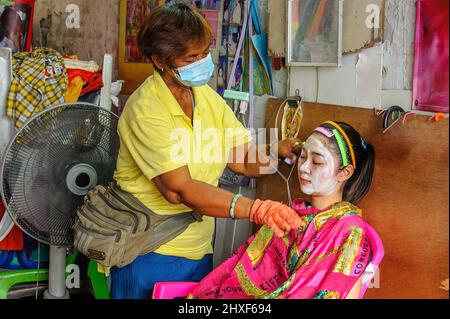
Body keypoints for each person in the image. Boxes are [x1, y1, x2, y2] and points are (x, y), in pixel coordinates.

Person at [111, 3, 304, 299]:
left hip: (198, 250)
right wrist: (254, 209)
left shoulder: (206, 98)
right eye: (192, 57)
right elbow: (181, 191)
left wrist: (276, 150)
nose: (203, 61)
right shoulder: (145, 110)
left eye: (205, 53)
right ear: (161, 61)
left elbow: (240, 157)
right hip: (148, 251)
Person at [188, 121, 377, 299]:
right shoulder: (289, 214)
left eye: (317, 161)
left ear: (345, 172)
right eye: (302, 156)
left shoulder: (350, 233)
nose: (303, 167)